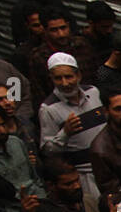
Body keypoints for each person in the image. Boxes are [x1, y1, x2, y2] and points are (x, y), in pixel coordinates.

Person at [38, 54, 106, 201]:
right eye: (58, 78)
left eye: (69, 77)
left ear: (78, 75)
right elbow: (47, 150)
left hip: (108, 166)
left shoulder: (93, 92)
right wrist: (65, 133)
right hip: (85, 175)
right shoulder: (48, 109)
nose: (65, 83)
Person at [28, 11, 98, 102]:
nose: (61, 34)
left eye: (63, 28)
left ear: (68, 25)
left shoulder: (82, 45)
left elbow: (96, 73)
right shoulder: (38, 57)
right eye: (54, 30)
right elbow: (39, 92)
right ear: (45, 31)